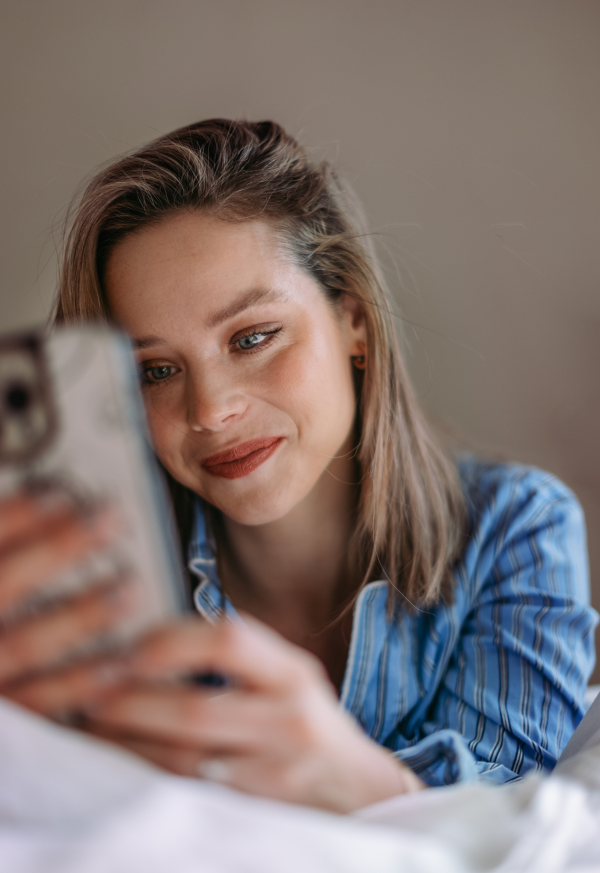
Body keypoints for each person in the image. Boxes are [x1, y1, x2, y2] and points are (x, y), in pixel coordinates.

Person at [0, 119, 596, 813]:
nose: (211, 409)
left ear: (356, 326)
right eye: (157, 370)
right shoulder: (94, 586)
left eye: (252, 338)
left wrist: (352, 777)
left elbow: (508, 817)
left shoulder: (517, 527)